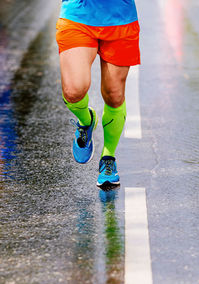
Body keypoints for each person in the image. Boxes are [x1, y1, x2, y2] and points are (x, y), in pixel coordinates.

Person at [56, 0, 140, 187]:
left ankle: (108, 157)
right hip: (78, 15)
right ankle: (86, 121)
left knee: (114, 94)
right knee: (73, 90)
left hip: (121, 18)